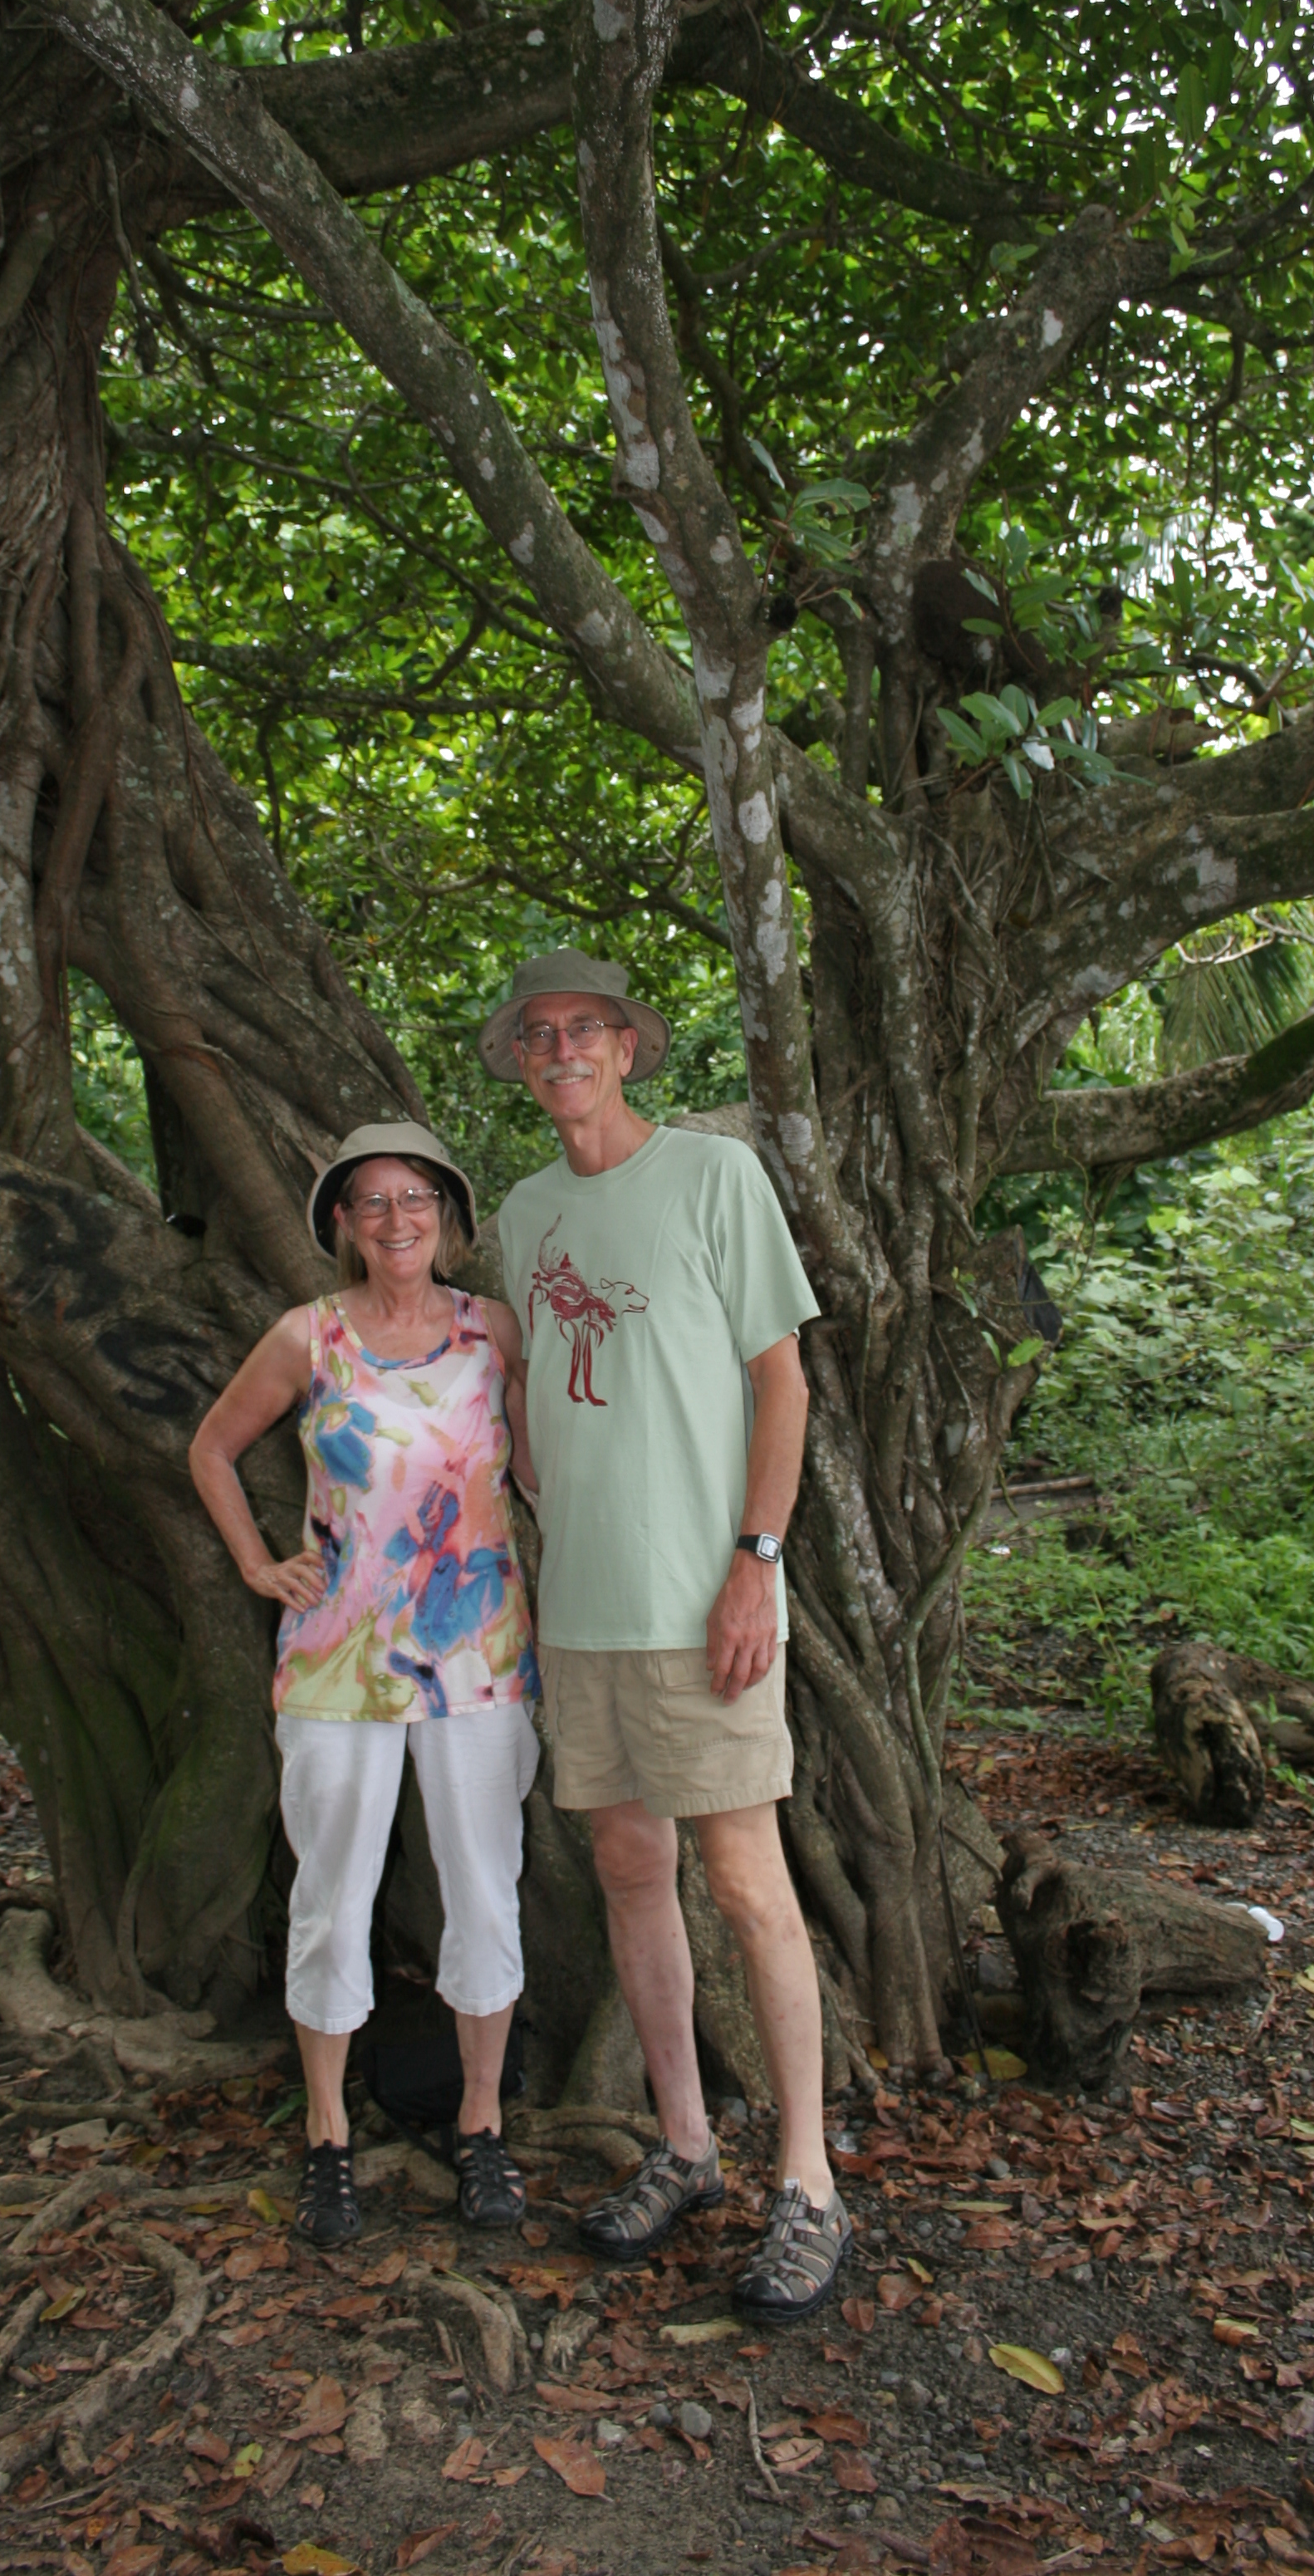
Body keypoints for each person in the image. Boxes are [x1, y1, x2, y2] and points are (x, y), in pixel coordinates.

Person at [483, 950, 851, 2323]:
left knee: (751, 1888)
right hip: (582, 1611)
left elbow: (782, 1382)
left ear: (629, 1050)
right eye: (541, 1035)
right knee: (630, 1871)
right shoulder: (525, 1215)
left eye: (587, 1029)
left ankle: (808, 2184)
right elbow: (525, 1381)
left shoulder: (711, 1177)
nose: (564, 1049)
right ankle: (688, 2150)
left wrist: (756, 1561)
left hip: (707, 1604)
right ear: (523, 1065)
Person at [189, 1121, 541, 2249]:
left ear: (447, 1216)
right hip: (336, 1662)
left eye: (416, 1199)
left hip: (479, 1655)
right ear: (341, 1223)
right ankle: (329, 2141)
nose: (397, 1220)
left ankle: (482, 2130)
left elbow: (536, 1468)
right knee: (330, 1895)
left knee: (485, 1886)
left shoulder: (494, 1332)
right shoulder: (310, 1336)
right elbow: (210, 1449)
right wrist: (256, 1563)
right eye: (373, 1202)